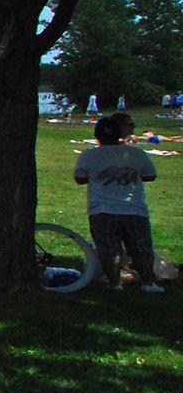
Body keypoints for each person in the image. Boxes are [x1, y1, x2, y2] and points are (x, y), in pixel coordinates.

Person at [75, 114, 161, 291]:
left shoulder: (89, 156)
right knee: (141, 247)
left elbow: (80, 178)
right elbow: (150, 175)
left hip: (101, 209)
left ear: (97, 135)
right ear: (119, 134)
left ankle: (115, 283)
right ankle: (147, 283)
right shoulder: (136, 153)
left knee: (108, 250)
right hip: (134, 208)